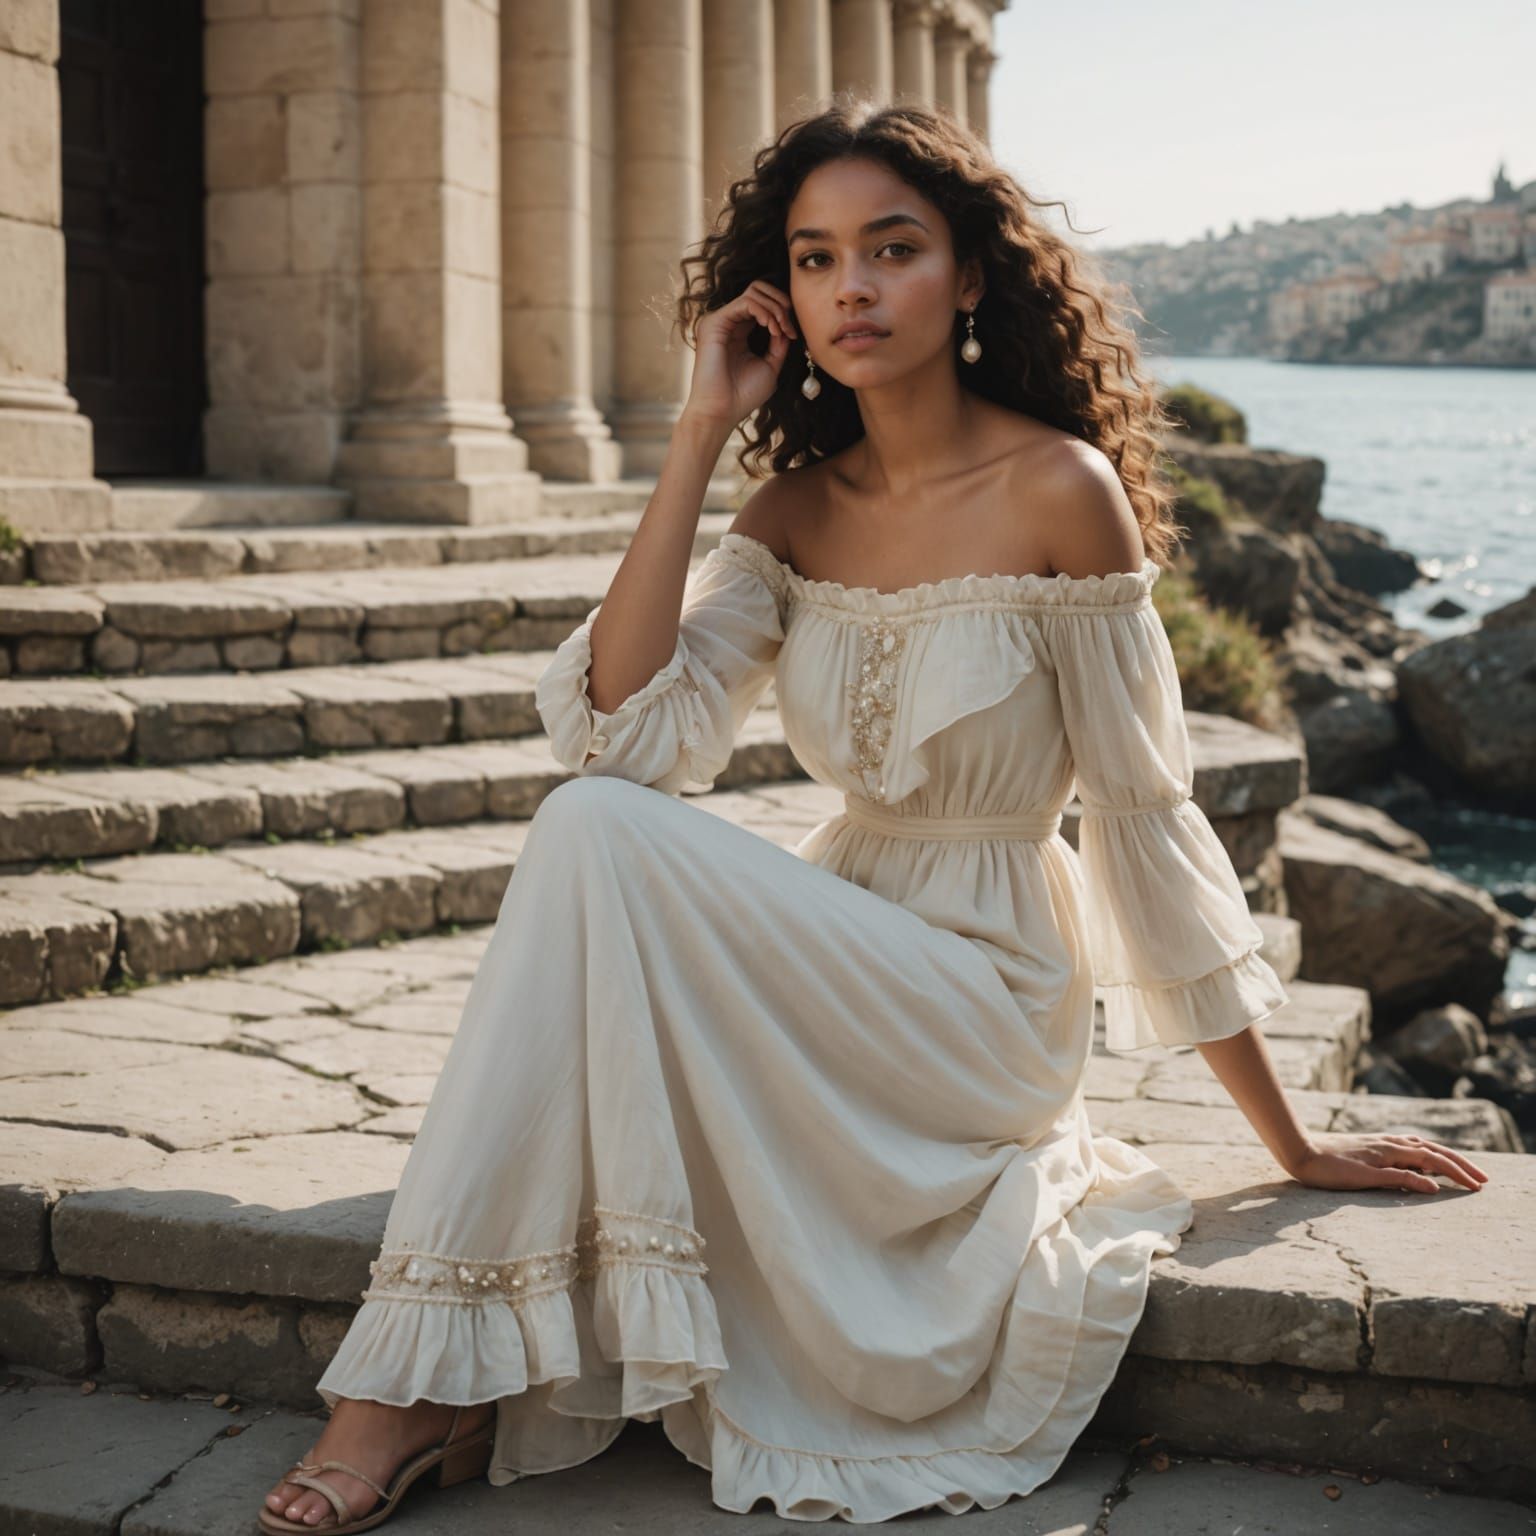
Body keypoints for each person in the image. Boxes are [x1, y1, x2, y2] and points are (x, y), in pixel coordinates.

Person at [259, 99, 1488, 1532]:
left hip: (988, 997)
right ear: (781, 296)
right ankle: (429, 1375)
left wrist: (1291, 1144)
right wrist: (699, 432)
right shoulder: (793, 512)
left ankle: (406, 1394)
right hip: (844, 944)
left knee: (591, 840)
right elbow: (621, 732)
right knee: (594, 820)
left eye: (893, 249)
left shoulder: (1061, 489)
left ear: (969, 277)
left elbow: (1144, 821)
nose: (853, 287)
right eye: (818, 257)